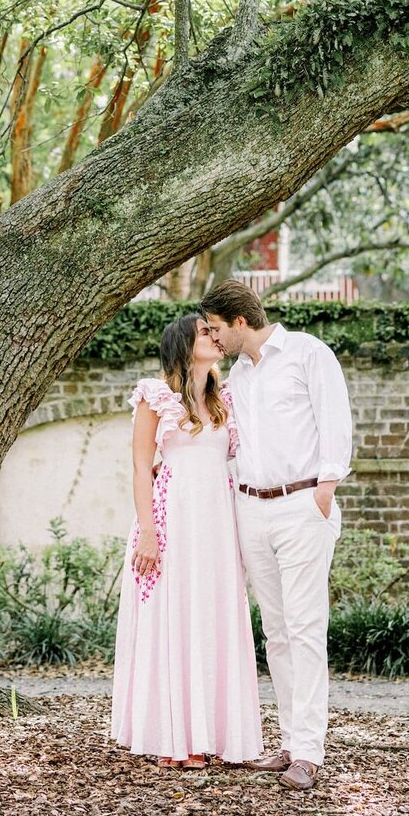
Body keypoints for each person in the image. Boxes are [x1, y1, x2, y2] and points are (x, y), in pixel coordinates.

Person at [201, 281, 353, 793]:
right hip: (251, 508)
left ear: (239, 321)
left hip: (301, 504)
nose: (213, 339)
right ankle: (289, 742)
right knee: (278, 632)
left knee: (307, 628)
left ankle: (309, 752)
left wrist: (325, 488)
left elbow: (336, 422)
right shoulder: (236, 379)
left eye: (216, 329)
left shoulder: (308, 353)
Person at [109, 312, 263, 769]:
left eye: (216, 332)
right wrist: (149, 533)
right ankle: (173, 736)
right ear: (182, 343)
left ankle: (212, 732)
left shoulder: (225, 400)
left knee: (211, 619)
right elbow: (140, 466)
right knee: (173, 618)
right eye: (205, 333)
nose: (216, 339)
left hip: (216, 523)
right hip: (170, 519)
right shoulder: (154, 396)